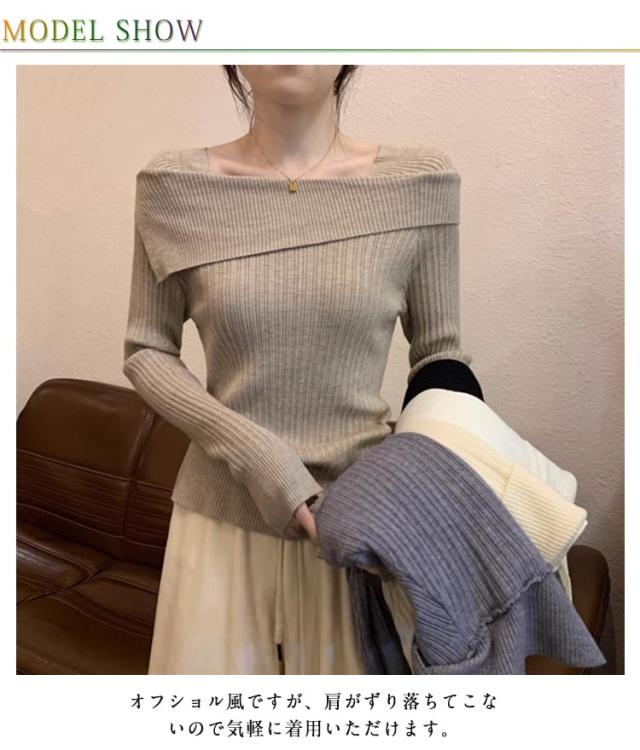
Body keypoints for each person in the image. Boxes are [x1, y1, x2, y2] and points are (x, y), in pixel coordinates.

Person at [122, 64, 482, 675]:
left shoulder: (418, 183)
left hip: (356, 530)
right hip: (221, 521)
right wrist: (260, 458)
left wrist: (413, 495)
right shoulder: (175, 186)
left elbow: (440, 356)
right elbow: (146, 348)